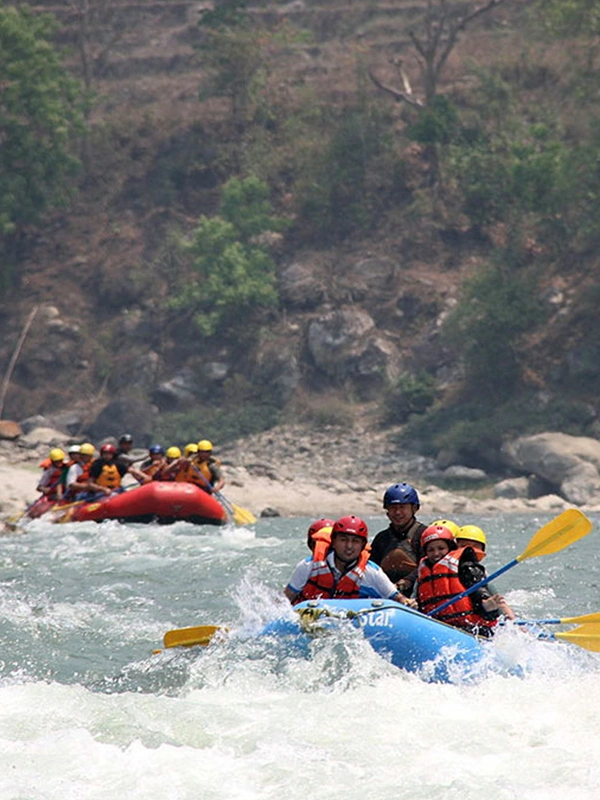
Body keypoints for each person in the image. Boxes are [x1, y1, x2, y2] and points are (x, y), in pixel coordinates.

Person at [285, 515, 418, 607]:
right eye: (343, 540)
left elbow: (399, 599)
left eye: (355, 541)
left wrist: (408, 603)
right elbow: (285, 600)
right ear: (334, 542)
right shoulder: (308, 566)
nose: (349, 546)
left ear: (362, 545)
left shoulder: (372, 572)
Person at [415, 524, 512, 637]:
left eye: (441, 548)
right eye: (431, 550)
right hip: (440, 626)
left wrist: (485, 603)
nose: (436, 553)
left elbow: (478, 590)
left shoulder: (465, 567)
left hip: (472, 628)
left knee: (485, 607)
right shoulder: (423, 571)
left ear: (450, 549)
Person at [369, 483, 428, 597]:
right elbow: (372, 569)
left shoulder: (424, 534)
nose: (397, 512)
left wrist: (407, 581)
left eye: (402, 507)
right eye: (393, 508)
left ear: (414, 509)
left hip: (416, 595)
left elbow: (427, 564)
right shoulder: (381, 539)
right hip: (387, 595)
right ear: (387, 512)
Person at [455, 524, 515, 621]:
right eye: (463, 546)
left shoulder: (479, 572)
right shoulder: (448, 566)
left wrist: (510, 617)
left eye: (475, 547)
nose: (469, 550)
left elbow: (492, 594)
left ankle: (507, 616)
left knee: (491, 595)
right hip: (451, 614)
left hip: (475, 614)